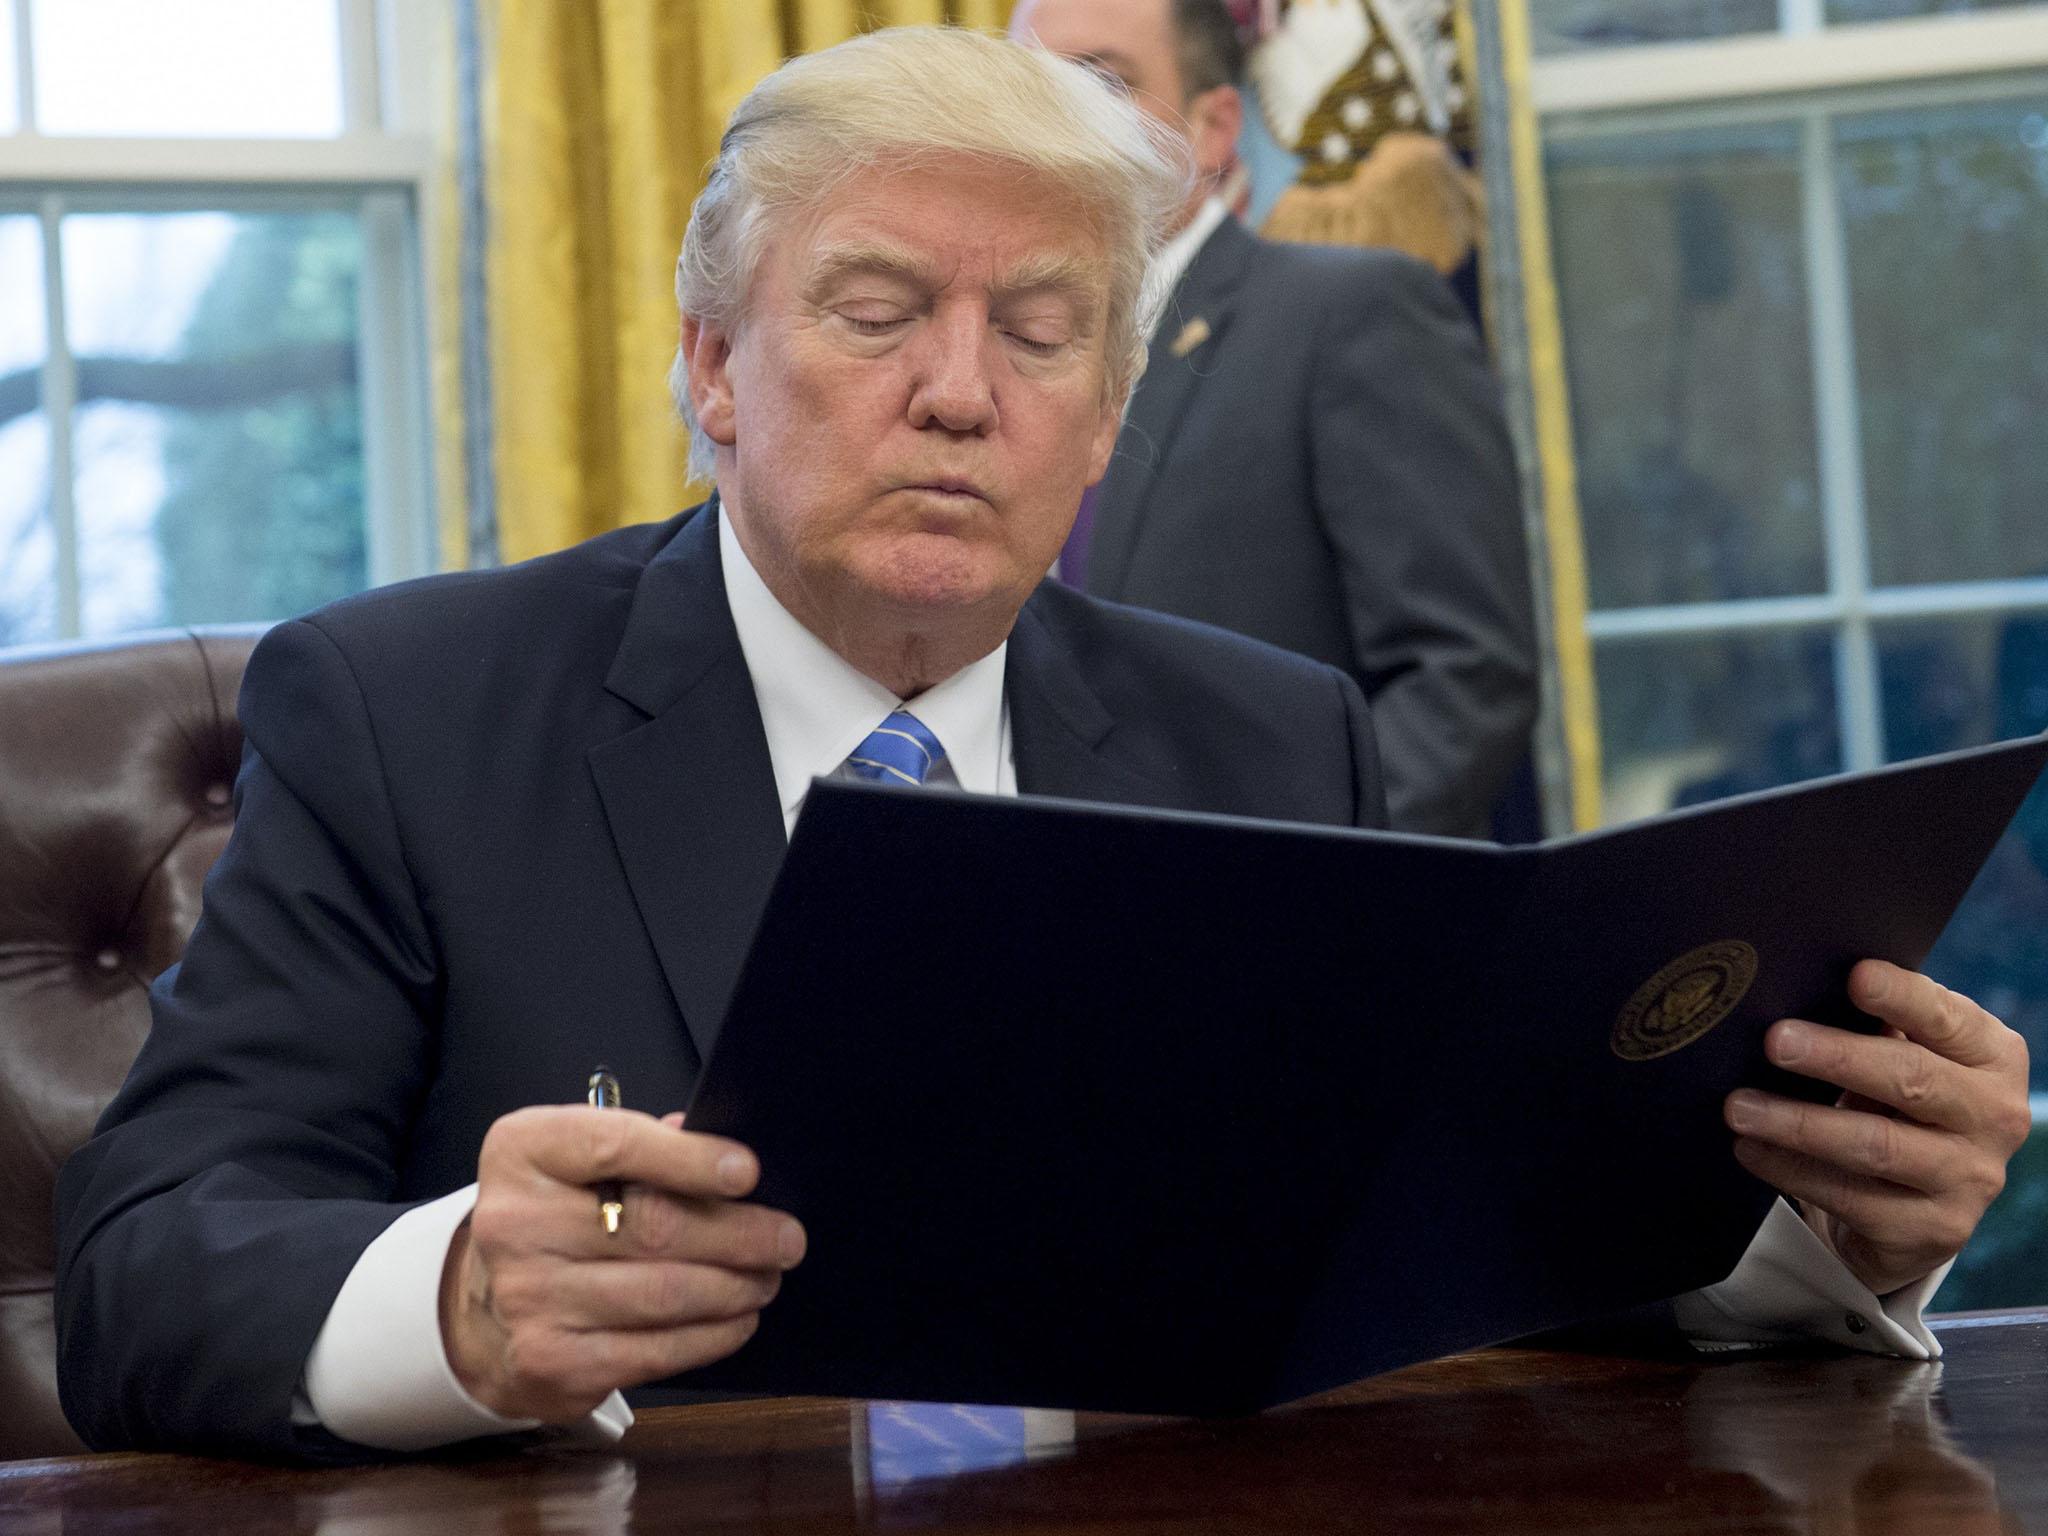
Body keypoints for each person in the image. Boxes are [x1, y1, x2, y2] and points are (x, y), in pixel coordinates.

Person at [54, 26, 2030, 1463]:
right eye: (876, 309)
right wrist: (464, 1305)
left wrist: (1813, 1231)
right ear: (712, 373)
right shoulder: (403, 713)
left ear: (1103, 423)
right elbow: (142, 1278)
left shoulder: (1271, 737)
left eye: (1039, 331)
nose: (955, 395)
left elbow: (1428, 1255)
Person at [1009, 0, 1538, 841]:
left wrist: (1294, 888)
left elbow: (1465, 677)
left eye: (1103, 84)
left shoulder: (1350, 313)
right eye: (1027, 89)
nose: (1055, 123)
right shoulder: (979, 363)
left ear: (1214, 130)